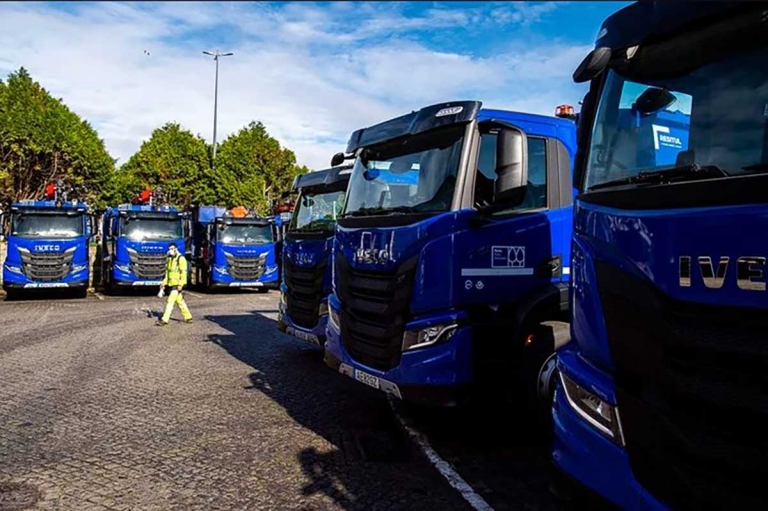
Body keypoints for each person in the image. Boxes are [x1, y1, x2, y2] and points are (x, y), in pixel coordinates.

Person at [156, 243, 193, 326]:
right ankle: (188, 317)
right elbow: (168, 274)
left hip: (177, 284)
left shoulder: (181, 259)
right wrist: (164, 283)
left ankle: (164, 320)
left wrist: (181, 284)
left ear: (176, 249)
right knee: (180, 302)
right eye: (169, 249)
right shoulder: (170, 259)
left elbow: (183, 273)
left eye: (172, 248)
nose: (171, 250)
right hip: (172, 284)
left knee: (170, 301)